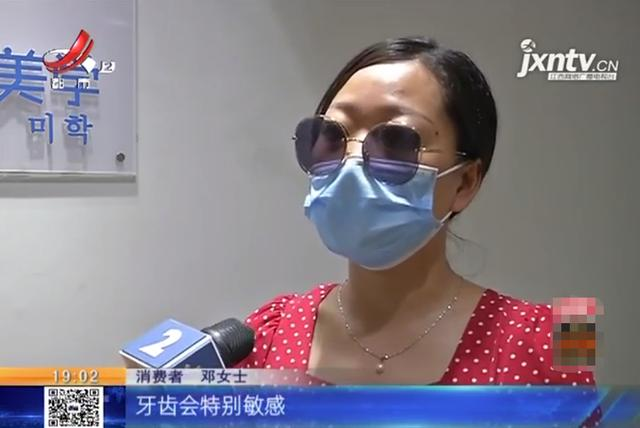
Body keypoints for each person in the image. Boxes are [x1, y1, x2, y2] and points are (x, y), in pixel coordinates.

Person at [234, 37, 596, 389]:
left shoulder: (551, 344)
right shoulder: (267, 336)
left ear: (465, 182)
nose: (351, 162)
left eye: (396, 141)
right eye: (332, 137)